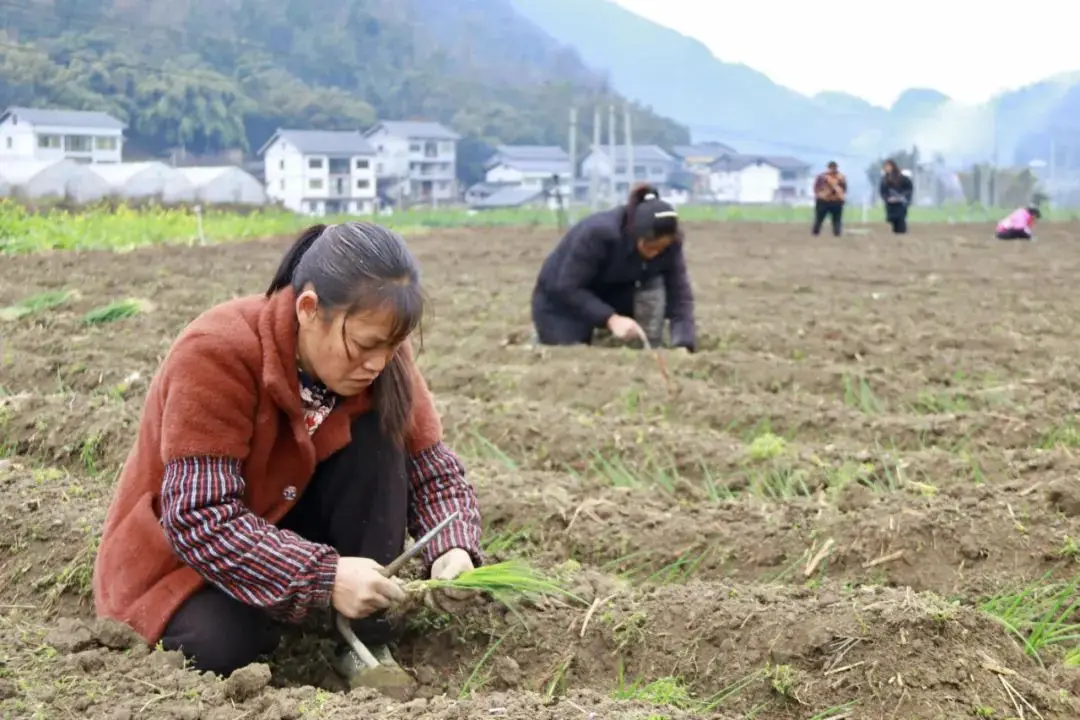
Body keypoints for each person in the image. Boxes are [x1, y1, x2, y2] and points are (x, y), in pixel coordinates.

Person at [92, 222, 484, 682]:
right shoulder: (218, 352)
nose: (377, 363)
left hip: (287, 522)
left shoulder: (382, 360)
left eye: (391, 346)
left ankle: (362, 636)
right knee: (224, 644)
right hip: (185, 559)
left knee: (379, 440)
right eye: (363, 345)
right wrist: (326, 577)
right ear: (308, 309)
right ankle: (306, 605)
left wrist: (452, 546)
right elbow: (199, 519)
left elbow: (432, 471)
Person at [530, 184, 696, 351]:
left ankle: (644, 341)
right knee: (573, 350)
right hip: (563, 299)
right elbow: (568, 287)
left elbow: (680, 295)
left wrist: (684, 342)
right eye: (650, 247)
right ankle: (545, 337)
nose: (654, 254)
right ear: (636, 235)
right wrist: (611, 318)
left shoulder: (672, 245)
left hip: (618, 289)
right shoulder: (598, 234)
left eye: (661, 249)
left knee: (654, 285)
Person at [812, 161, 847, 236]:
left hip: (836, 201)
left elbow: (844, 188)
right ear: (828, 168)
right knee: (819, 219)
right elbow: (816, 187)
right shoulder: (822, 176)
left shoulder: (841, 177)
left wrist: (840, 195)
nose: (832, 169)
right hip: (823, 200)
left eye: (834, 167)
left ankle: (837, 233)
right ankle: (815, 233)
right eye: (831, 167)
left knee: (836, 219)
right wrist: (819, 194)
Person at [879, 160, 914, 234]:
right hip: (891, 205)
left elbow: (909, 189)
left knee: (901, 222)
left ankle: (902, 234)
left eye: (888, 166)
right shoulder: (884, 180)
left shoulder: (902, 178)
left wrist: (901, 197)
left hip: (900, 205)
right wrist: (888, 198)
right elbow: (883, 191)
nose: (886, 168)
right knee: (893, 222)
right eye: (885, 167)